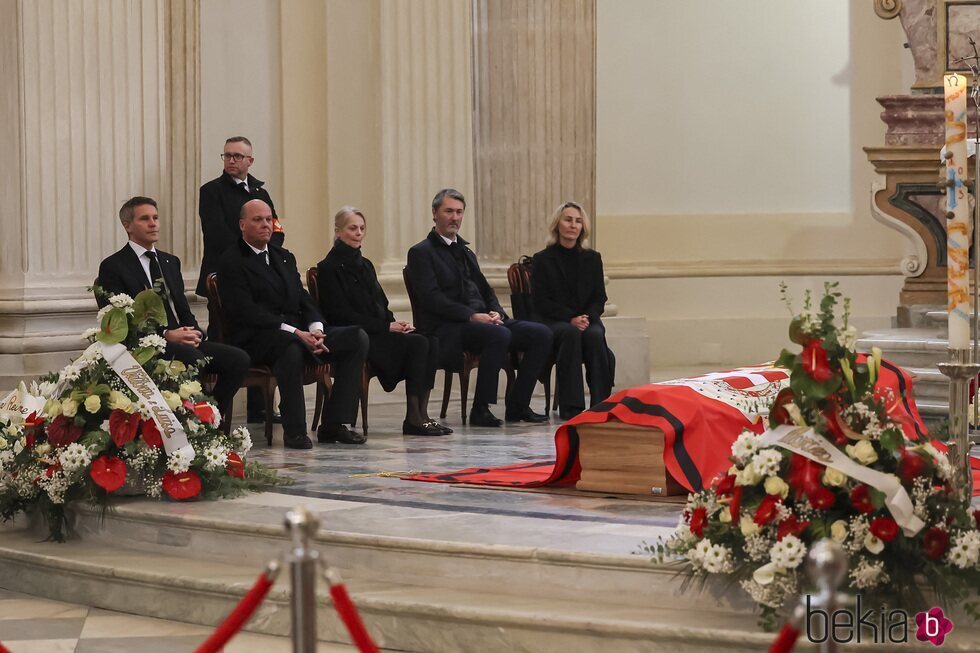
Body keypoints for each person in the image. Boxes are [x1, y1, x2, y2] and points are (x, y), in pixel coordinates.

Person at [216, 199, 368, 448]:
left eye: (268, 219)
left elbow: (302, 298)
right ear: (242, 225)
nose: (265, 224)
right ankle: (295, 430)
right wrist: (296, 332)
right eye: (257, 220)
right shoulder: (231, 261)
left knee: (356, 338)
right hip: (256, 336)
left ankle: (334, 423)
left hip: (297, 331)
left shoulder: (283, 256)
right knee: (291, 347)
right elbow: (246, 312)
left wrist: (316, 329)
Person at [98, 196, 250, 430]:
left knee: (238, 359)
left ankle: (210, 420)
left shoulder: (170, 261)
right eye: (145, 219)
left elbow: (182, 308)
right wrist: (167, 334)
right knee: (194, 360)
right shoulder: (114, 266)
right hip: (145, 345)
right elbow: (122, 322)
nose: (153, 224)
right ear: (127, 226)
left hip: (180, 338)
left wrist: (194, 332)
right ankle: (186, 425)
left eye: (156, 218)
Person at [406, 188, 553, 427]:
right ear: (434, 214)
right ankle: (481, 409)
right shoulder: (421, 252)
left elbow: (486, 290)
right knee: (499, 334)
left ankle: (518, 404)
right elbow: (431, 298)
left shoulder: (466, 252)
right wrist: (472, 316)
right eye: (449, 211)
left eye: (459, 212)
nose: (455, 217)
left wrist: (496, 311)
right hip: (449, 327)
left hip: (484, 321)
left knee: (541, 333)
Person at [316, 207, 448, 436]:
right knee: (419, 345)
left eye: (362, 228)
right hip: (360, 335)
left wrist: (397, 324)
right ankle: (414, 419)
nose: (358, 233)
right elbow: (340, 314)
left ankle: (421, 414)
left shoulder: (365, 264)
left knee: (429, 339)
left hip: (378, 330)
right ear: (338, 232)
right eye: (352, 228)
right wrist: (386, 326)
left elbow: (380, 304)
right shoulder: (328, 268)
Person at [196, 136, 284, 423]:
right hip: (225, 275)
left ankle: (260, 408)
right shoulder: (211, 191)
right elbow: (218, 234)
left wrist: (265, 254)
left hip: (261, 276)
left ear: (250, 161)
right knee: (222, 334)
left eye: (237, 156)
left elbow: (277, 230)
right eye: (227, 156)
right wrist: (251, 250)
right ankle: (214, 407)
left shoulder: (260, 192)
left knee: (262, 331)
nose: (231, 161)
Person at [531, 201, 614, 419]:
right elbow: (541, 301)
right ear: (557, 224)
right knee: (570, 334)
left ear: (583, 227)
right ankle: (572, 407)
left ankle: (600, 404)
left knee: (595, 334)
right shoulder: (542, 260)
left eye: (578, 221)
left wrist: (586, 317)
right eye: (568, 220)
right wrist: (570, 318)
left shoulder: (593, 258)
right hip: (556, 320)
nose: (573, 225)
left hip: (587, 318)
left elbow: (599, 297)